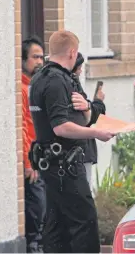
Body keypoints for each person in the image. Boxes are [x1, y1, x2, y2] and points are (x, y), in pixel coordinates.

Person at [28, 30, 115, 253]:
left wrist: (87, 107)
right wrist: (97, 133)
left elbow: (73, 119)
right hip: (65, 167)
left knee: (56, 225)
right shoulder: (57, 81)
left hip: (52, 166)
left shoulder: (40, 78)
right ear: (72, 52)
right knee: (84, 222)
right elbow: (61, 127)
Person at [22, 35, 46, 253]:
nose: (39, 61)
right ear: (23, 60)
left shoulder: (36, 87)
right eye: (34, 57)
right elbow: (22, 127)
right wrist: (29, 162)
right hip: (30, 157)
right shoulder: (21, 89)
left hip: (40, 154)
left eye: (42, 57)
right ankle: (34, 245)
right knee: (36, 202)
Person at [70, 52, 106, 191]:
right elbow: (90, 116)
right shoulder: (72, 85)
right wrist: (97, 102)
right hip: (81, 150)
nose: (80, 71)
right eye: (79, 68)